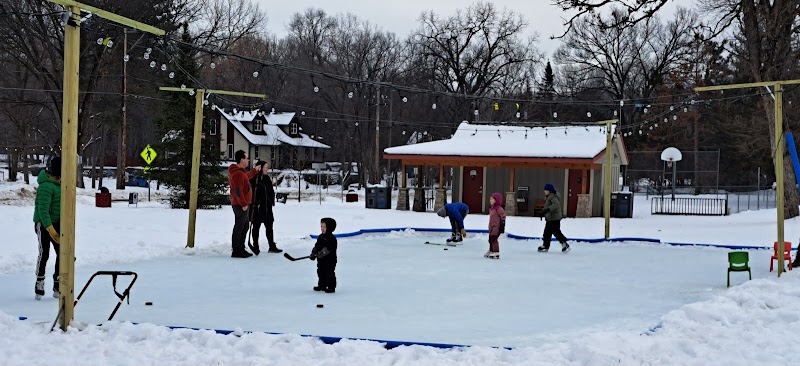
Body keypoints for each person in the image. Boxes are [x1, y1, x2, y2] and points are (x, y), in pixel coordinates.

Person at [33, 156, 61, 300]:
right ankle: (40, 281)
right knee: (45, 252)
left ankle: (58, 282)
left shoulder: (60, 185)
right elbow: (43, 210)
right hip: (43, 223)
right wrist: (50, 229)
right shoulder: (45, 186)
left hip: (56, 223)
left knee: (62, 253)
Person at [228, 150, 258, 258]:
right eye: (246, 158)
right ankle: (236, 249)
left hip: (242, 204)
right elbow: (237, 191)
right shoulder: (237, 174)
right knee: (240, 226)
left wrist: (255, 171)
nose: (248, 160)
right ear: (242, 160)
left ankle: (240, 247)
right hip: (240, 205)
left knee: (244, 226)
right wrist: (244, 204)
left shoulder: (240, 172)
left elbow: (247, 176)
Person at [250, 160, 282, 255]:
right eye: (265, 167)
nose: (267, 169)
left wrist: (271, 202)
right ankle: (255, 245)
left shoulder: (267, 178)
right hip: (258, 207)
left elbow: (270, 191)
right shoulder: (255, 179)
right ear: (260, 168)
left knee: (269, 226)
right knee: (256, 227)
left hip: (267, 207)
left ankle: (271, 245)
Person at [538, 183, 571, 253]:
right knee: (547, 233)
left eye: (546, 190)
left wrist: (548, 210)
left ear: (550, 191)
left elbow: (556, 205)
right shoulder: (548, 197)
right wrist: (543, 212)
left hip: (554, 218)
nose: (545, 191)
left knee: (556, 232)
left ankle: (565, 244)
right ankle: (545, 246)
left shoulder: (553, 197)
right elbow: (547, 207)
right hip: (550, 218)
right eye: (544, 190)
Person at [310, 218, 338, 293]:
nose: (322, 228)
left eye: (324, 227)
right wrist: (313, 252)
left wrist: (320, 254)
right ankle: (322, 285)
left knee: (329, 272)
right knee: (320, 272)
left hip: (330, 260)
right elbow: (317, 246)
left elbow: (328, 249)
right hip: (321, 260)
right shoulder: (320, 237)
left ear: (329, 228)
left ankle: (331, 287)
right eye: (321, 226)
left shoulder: (332, 239)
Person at [486, 193, 506, 259]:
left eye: (492, 199)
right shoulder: (492, 208)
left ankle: (496, 252)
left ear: (496, 200)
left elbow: (503, 216)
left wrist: (502, 224)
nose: (490, 200)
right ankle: (491, 250)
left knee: (494, 239)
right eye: (490, 199)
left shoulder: (499, 208)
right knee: (490, 239)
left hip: (496, 227)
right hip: (491, 226)